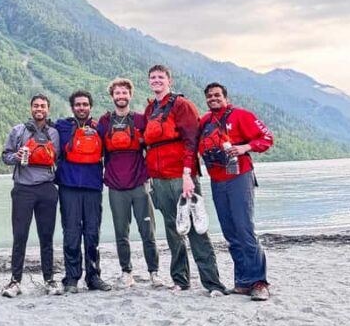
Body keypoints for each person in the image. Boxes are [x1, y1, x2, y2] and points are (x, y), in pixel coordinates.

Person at [144, 65, 227, 296]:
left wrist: (188, 174)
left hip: (181, 177)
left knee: (196, 229)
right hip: (159, 179)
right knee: (172, 229)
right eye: (153, 77)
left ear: (169, 80)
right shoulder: (151, 107)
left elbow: (192, 141)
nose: (157, 80)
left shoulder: (182, 105)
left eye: (161, 77)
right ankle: (180, 279)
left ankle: (213, 283)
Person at [199, 82, 274, 301]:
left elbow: (267, 138)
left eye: (217, 95)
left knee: (245, 229)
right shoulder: (205, 121)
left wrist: (244, 147)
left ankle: (259, 282)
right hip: (217, 179)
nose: (213, 99)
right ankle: (242, 282)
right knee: (230, 233)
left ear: (225, 97)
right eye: (209, 96)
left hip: (240, 177)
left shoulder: (242, 115)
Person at [98, 78, 163, 288]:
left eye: (124, 92)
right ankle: (126, 272)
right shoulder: (104, 122)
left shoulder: (140, 119)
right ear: (112, 96)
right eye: (117, 93)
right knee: (121, 232)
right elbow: (96, 152)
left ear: (130, 95)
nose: (121, 96)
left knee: (148, 231)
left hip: (139, 184)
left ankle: (154, 272)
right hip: (116, 186)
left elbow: (153, 148)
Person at [0, 94, 62, 297]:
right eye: (36, 105)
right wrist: (15, 156)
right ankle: (15, 281)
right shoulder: (18, 130)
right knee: (20, 236)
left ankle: (49, 280)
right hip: (23, 189)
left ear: (48, 109)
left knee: (46, 237)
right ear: (31, 108)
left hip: (46, 188)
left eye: (43, 106)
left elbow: (59, 158)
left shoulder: (54, 132)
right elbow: (5, 156)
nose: (39, 109)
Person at [54, 90, 111, 293]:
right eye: (78, 104)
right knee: (71, 232)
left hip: (93, 186)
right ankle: (71, 278)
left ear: (90, 107)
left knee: (92, 232)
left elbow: (113, 150)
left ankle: (94, 276)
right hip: (68, 186)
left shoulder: (100, 127)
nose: (81, 107)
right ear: (72, 107)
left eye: (85, 104)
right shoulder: (61, 126)